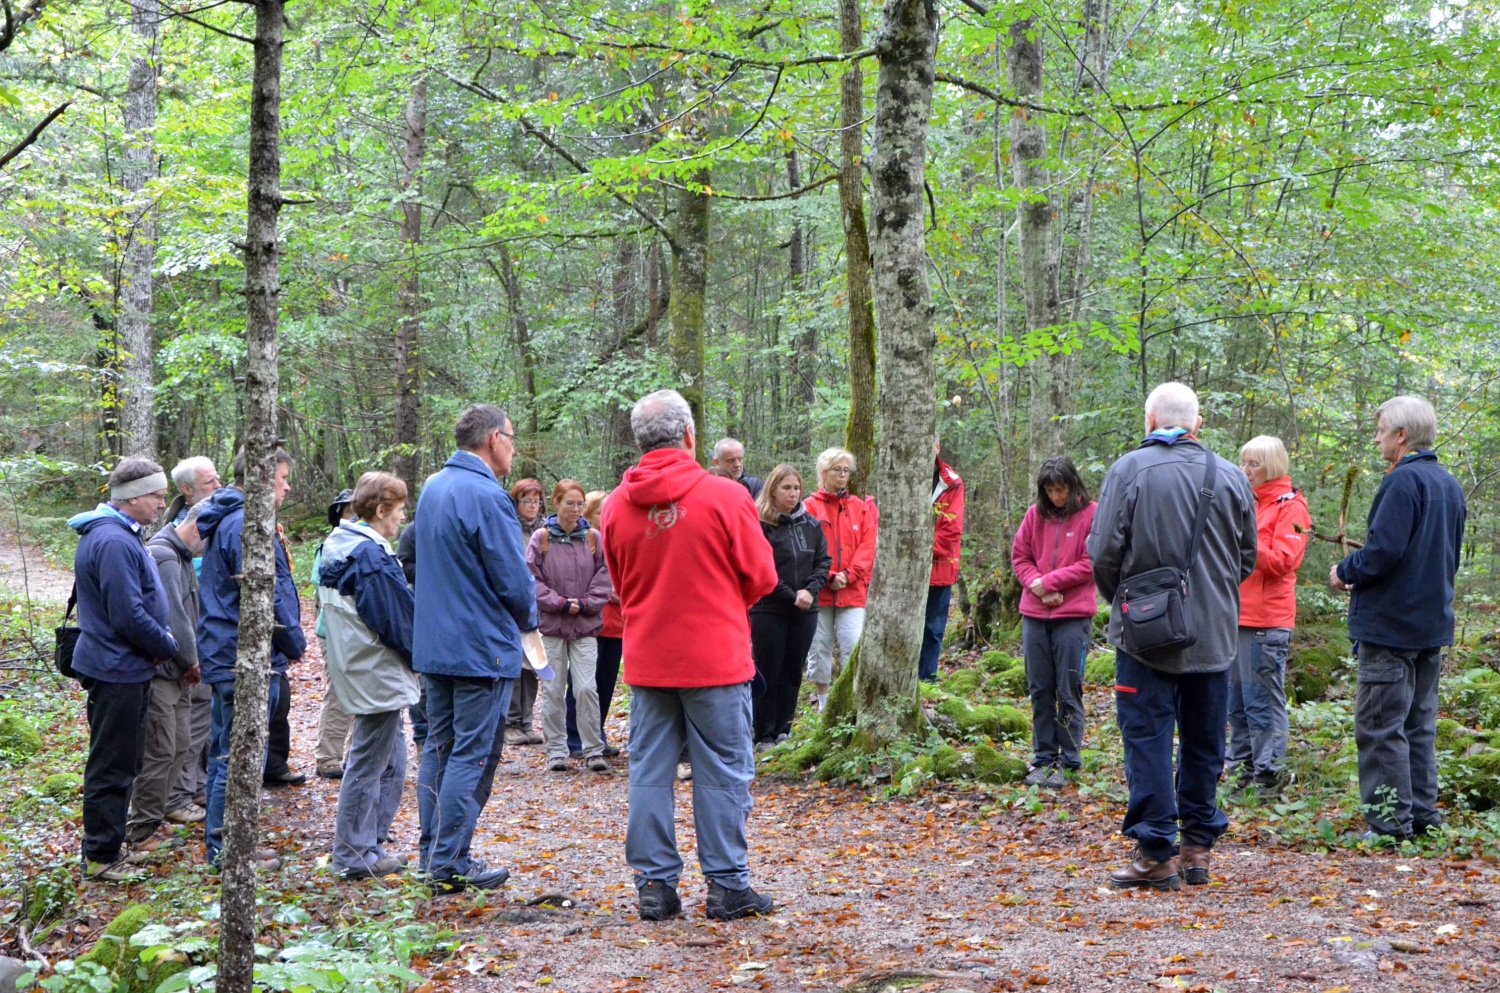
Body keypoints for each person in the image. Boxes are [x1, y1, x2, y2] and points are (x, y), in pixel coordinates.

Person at [603, 389, 778, 922]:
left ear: (639, 442)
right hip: (716, 657)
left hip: (649, 657)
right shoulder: (725, 496)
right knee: (723, 771)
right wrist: (722, 603)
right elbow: (762, 576)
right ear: (689, 436)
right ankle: (727, 886)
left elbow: (620, 585)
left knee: (650, 772)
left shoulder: (614, 505)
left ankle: (654, 886)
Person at [1087, 382, 1256, 890]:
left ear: (1150, 420)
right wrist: (1212, 597)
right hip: (1215, 635)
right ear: (1197, 424)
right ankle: (1196, 850)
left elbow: (1102, 553)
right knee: (1205, 741)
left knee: (1147, 737)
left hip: (1145, 636)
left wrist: (1128, 602)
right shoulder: (1230, 475)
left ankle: (1156, 853)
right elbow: (1247, 557)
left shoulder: (1129, 470)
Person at [412, 404, 538, 894]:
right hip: (479, 649)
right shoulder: (487, 495)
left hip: (437, 644)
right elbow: (513, 579)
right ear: (492, 439)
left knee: (439, 749)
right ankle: (448, 861)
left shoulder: (433, 486)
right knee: (471, 754)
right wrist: (529, 622)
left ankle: (432, 855)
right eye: (512, 438)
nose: (514, 448)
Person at [1330, 396, 1466, 842]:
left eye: (1381, 430)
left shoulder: (1403, 482)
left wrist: (1345, 571)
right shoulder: (1448, 483)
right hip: (1430, 625)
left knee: (1380, 727)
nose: (1377, 439)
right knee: (1417, 726)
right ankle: (1423, 818)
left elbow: (1383, 552)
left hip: (1391, 627)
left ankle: (1389, 826)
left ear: (1402, 435)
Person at [68, 458, 180, 883]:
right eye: (156, 496)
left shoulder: (119, 535)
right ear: (133, 497)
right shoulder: (113, 540)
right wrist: (166, 646)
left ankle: (109, 847)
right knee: (112, 764)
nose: (162, 504)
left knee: (124, 760)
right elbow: (127, 614)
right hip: (115, 669)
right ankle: (100, 855)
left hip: (125, 667)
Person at [197, 446, 307, 869]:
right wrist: (294, 642)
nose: (287, 487)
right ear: (261, 480)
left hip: (231, 654)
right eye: (282, 479)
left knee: (226, 753)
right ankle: (229, 852)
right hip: (241, 659)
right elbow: (265, 594)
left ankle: (221, 845)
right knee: (239, 758)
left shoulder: (233, 519)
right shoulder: (246, 524)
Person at [319, 472, 421, 880]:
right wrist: (423, 657)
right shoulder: (369, 558)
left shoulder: (340, 544)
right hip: (375, 671)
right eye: (399, 511)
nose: (402, 519)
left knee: (392, 758)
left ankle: (369, 844)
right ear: (380, 510)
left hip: (361, 666)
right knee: (367, 763)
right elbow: (395, 621)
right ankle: (353, 853)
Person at [1227, 436, 1311, 798]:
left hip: (1267, 620)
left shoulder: (1291, 507)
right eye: (1243, 463)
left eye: (1254, 464)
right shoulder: (1247, 503)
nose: (1246, 470)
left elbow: (1283, 561)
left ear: (1272, 467)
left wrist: (1244, 540)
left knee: (1261, 701)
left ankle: (1268, 776)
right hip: (1236, 616)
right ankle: (1241, 771)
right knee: (1236, 703)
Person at [124, 498, 209, 857]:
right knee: (159, 751)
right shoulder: (165, 556)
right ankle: (141, 828)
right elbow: (174, 617)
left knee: (179, 744)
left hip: (179, 672)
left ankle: (154, 817)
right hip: (163, 672)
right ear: (199, 528)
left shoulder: (182, 557)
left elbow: (192, 612)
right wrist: (192, 659)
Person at [1012, 456, 1097, 788]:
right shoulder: (1035, 515)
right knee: (1040, 689)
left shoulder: (1091, 513)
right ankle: (1044, 757)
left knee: (1068, 688)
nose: (1056, 497)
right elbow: (1020, 556)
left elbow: (1091, 562)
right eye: (1049, 490)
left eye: (1060, 490)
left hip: (1073, 617)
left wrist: (1050, 582)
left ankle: (1069, 760)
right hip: (1035, 615)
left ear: (1072, 485)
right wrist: (1037, 584)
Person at [528, 479, 612, 772]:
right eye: (569, 503)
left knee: (587, 688)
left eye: (579, 504)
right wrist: (560, 603)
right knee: (552, 689)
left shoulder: (592, 538)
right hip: (551, 626)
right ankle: (556, 750)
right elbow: (532, 580)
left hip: (585, 626)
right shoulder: (541, 538)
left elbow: (604, 577)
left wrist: (586, 603)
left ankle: (593, 749)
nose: (575, 509)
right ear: (556, 503)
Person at [750, 465, 830, 746]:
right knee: (768, 670)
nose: (793, 493)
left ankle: (784, 729)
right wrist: (791, 595)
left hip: (806, 609)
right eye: (786, 488)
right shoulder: (760, 524)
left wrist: (809, 591)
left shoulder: (811, 524)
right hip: (768, 609)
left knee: (793, 671)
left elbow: (823, 561)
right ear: (773, 490)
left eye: (796, 488)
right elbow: (761, 568)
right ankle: (763, 733)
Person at [803, 448, 877, 711]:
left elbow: (868, 546)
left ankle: (850, 702)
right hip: (819, 590)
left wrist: (848, 575)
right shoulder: (809, 506)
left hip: (852, 590)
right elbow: (806, 548)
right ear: (823, 473)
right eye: (837, 470)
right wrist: (829, 576)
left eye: (846, 470)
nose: (843, 475)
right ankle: (824, 705)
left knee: (853, 645)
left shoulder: (860, 507)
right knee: (818, 646)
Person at [566, 490, 624, 759]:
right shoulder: (581, 540)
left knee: (605, 683)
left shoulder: (617, 538)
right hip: (589, 622)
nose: (608, 516)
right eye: (601, 511)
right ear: (588, 514)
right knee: (582, 683)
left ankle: (595, 734)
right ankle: (573, 736)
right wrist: (604, 591)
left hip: (616, 624)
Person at [311, 489, 357, 779]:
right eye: (349, 510)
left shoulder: (369, 542)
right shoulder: (329, 546)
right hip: (333, 628)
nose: (354, 516)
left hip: (357, 630)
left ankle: (354, 755)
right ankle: (328, 757)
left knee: (362, 690)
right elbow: (322, 587)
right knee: (339, 691)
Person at [505, 478, 548, 746]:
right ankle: (511, 722)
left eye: (536, 501)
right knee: (515, 662)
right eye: (527, 501)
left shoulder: (546, 531)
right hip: (514, 602)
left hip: (540, 603)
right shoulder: (509, 528)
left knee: (534, 663)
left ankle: (527, 721)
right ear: (516, 503)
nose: (532, 506)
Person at [919, 444, 965, 683]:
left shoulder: (952, 482)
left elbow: (951, 530)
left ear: (937, 446)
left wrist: (919, 552)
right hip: (903, 572)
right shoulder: (900, 473)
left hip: (939, 570)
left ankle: (926, 682)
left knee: (932, 630)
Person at [164, 456, 221, 528]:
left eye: (217, 479)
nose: (218, 486)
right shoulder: (178, 527)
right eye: (209, 481)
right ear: (187, 489)